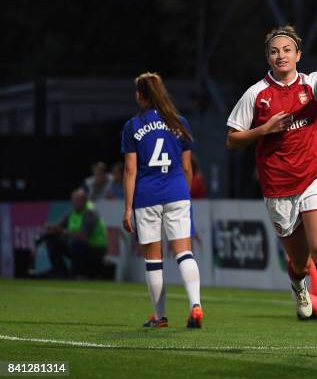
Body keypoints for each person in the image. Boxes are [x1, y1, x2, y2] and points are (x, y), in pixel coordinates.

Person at [226, 25, 317, 353]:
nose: (280, 55)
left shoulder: (311, 84)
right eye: (274, 51)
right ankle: (298, 285)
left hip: (316, 176)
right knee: (299, 262)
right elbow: (232, 139)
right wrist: (264, 129)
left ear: (298, 55)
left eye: (286, 50)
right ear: (268, 57)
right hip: (278, 187)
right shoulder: (256, 94)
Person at [121, 72, 203, 329]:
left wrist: (127, 208)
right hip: (177, 191)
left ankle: (160, 317)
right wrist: (184, 195)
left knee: (153, 260)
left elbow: (130, 171)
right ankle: (195, 305)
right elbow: (188, 168)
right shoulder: (180, 123)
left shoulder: (132, 126)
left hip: (147, 196)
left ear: (141, 95)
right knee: (184, 252)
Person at [43, 188, 108, 278]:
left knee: (75, 243)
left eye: (77, 200)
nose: (74, 203)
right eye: (73, 200)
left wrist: (64, 232)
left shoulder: (89, 212)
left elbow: (84, 236)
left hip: (96, 249)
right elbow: (59, 226)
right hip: (81, 247)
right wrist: (51, 228)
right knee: (52, 240)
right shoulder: (73, 211)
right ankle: (61, 273)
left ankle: (76, 273)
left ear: (84, 200)